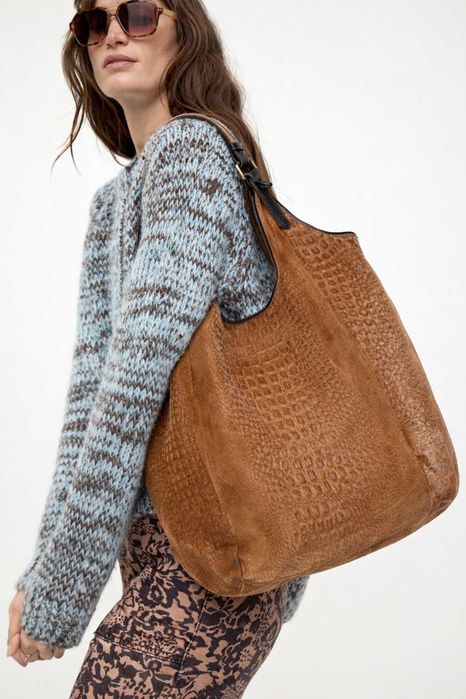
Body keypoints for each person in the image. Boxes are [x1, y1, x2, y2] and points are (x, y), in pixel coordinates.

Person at [7, 0, 310, 694]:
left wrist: (62, 587)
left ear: (184, 31)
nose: (114, 32)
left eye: (139, 13)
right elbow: (90, 402)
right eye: (93, 22)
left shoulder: (192, 154)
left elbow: (131, 389)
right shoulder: (113, 204)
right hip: (159, 549)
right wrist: (43, 569)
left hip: (218, 550)